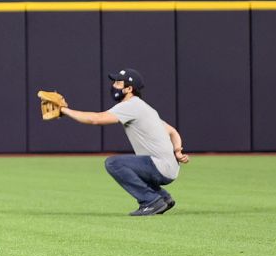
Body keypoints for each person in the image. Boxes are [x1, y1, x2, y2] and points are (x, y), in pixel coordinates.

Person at [56, 67, 190, 216]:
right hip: (169, 167)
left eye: (118, 83)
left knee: (114, 163)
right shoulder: (144, 108)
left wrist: (64, 110)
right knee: (134, 165)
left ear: (129, 89)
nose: (114, 86)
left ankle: (151, 201)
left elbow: (95, 119)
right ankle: (163, 198)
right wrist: (177, 151)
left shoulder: (131, 105)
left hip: (160, 168)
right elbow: (173, 131)